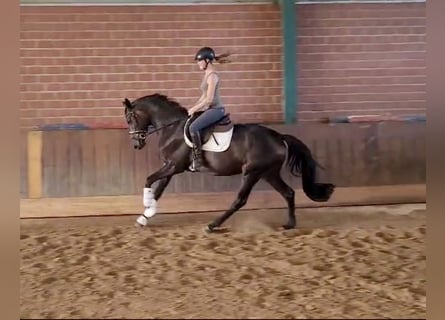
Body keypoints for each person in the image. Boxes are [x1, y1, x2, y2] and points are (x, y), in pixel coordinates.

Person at [187, 46, 231, 172]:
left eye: (199, 61)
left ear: (207, 60)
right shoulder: (207, 74)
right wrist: (193, 108)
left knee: (193, 127)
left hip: (216, 110)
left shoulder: (212, 76)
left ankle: (198, 160)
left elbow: (210, 99)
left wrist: (195, 108)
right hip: (210, 109)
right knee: (192, 121)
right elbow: (203, 96)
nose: (198, 64)